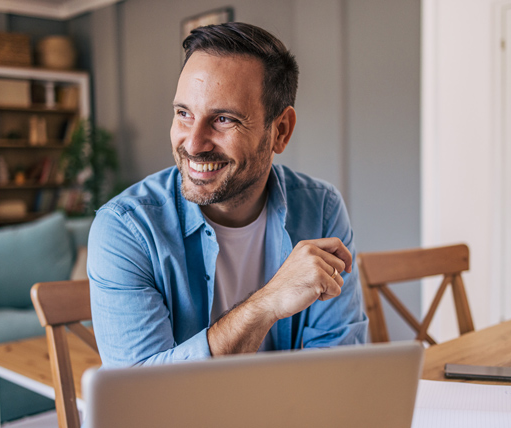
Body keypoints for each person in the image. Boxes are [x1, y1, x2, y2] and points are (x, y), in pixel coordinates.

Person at [87, 22, 368, 368]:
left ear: (280, 131)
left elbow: (339, 365)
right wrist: (266, 304)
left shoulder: (321, 209)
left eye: (223, 119)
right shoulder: (125, 228)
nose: (192, 143)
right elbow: (142, 395)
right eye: (183, 114)